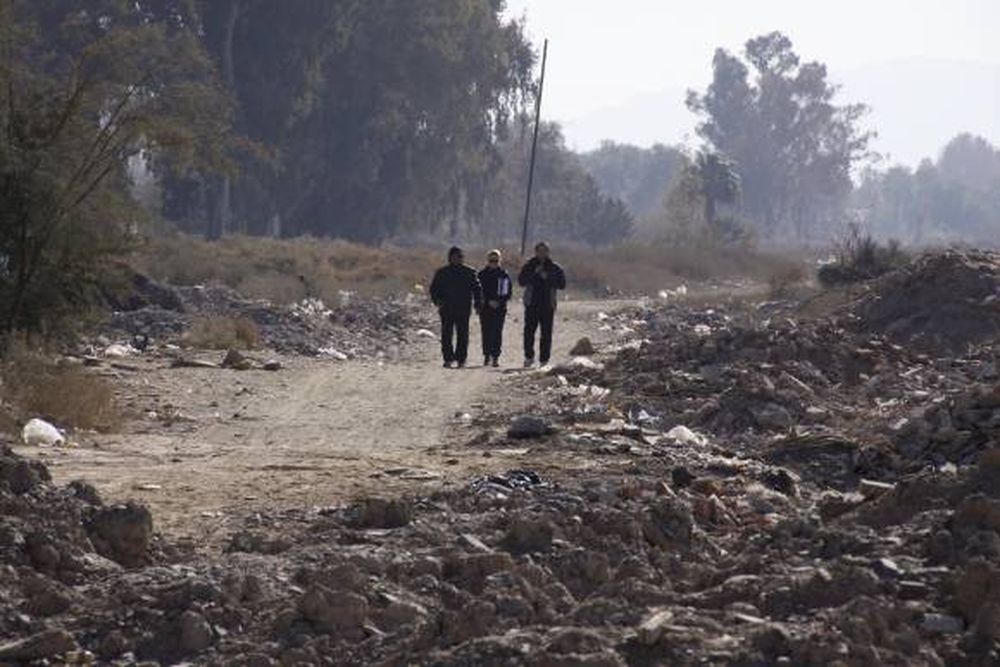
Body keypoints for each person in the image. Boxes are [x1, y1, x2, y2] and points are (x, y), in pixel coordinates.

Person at [430, 246, 482, 368]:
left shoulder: (469, 272)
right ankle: (448, 358)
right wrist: (437, 301)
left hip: (463, 308)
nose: (458, 259)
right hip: (446, 308)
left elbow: (477, 289)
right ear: (450, 258)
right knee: (446, 334)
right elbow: (434, 289)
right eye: (455, 256)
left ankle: (461, 359)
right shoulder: (442, 273)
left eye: (460, 257)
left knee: (463, 335)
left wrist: (478, 304)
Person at [518, 241, 566, 367]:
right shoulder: (529, 265)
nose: (542, 254)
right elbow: (521, 281)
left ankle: (544, 360)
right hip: (531, 304)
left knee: (546, 333)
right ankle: (529, 356)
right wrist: (535, 274)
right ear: (536, 252)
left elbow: (562, 284)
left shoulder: (555, 267)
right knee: (529, 332)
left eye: (544, 251)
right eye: (539, 251)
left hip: (548, 304)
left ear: (548, 252)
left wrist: (547, 277)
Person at [478, 249, 512, 367]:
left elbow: (507, 293)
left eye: (496, 260)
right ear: (487, 261)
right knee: (486, 331)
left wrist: (499, 302)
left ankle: (496, 356)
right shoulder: (481, 275)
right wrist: (487, 302)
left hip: (499, 308)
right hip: (485, 308)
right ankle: (487, 355)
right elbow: (479, 292)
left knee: (497, 332)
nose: (493, 263)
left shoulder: (504, 274)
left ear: (499, 261)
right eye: (491, 260)